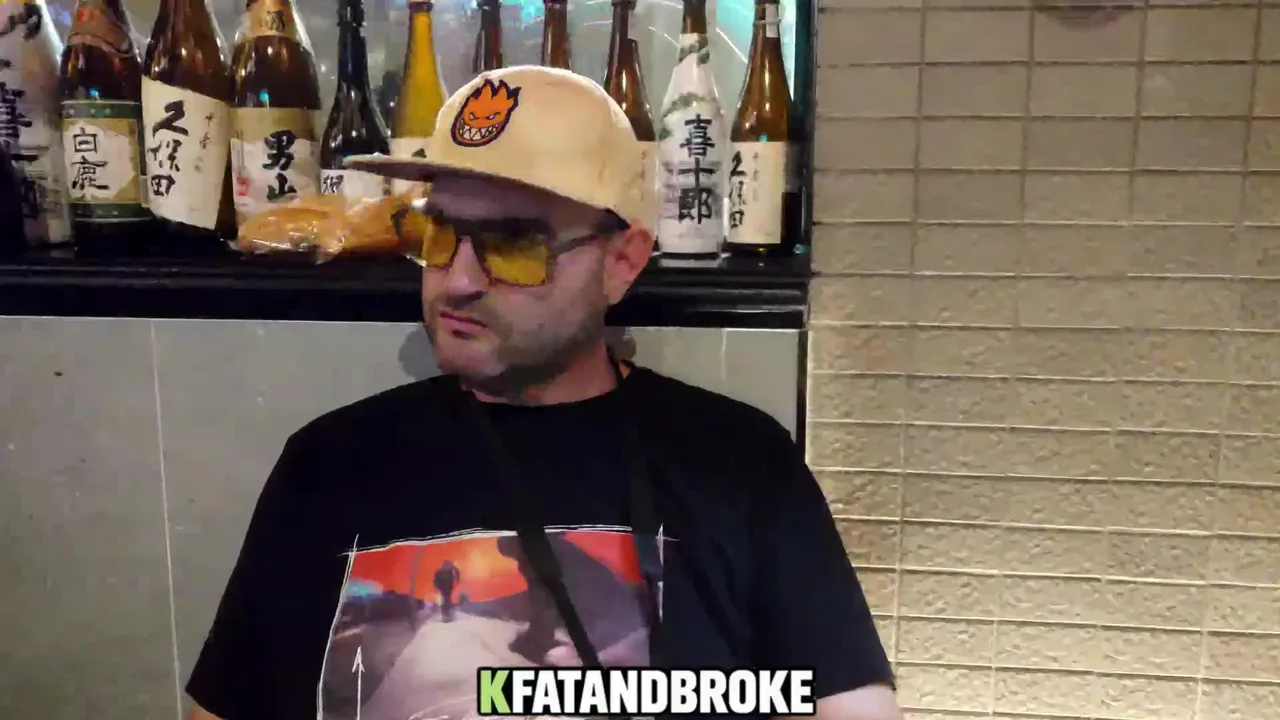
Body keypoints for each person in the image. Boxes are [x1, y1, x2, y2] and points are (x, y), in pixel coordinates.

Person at [187, 66, 902, 720]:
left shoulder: (739, 462)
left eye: (513, 245)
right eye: (440, 234)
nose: (458, 280)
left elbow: (851, 708)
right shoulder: (329, 464)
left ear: (622, 262)